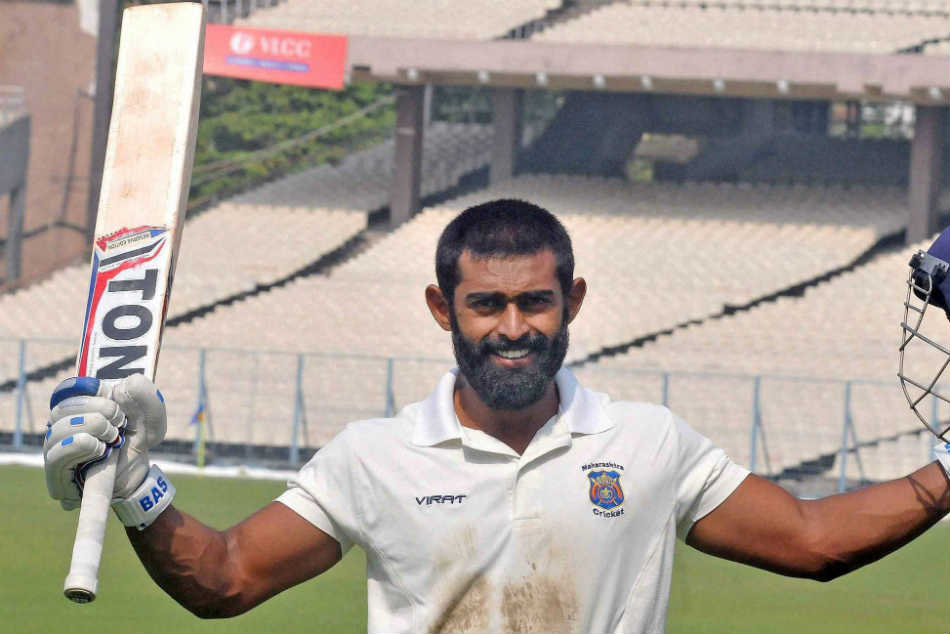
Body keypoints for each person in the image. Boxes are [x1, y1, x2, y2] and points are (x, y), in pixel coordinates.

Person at [44, 200, 950, 633]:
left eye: (535, 303)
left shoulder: (647, 442)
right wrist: (137, 490)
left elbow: (813, 542)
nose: (513, 329)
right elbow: (226, 578)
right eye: (486, 305)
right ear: (442, 309)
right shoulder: (374, 455)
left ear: (572, 301)